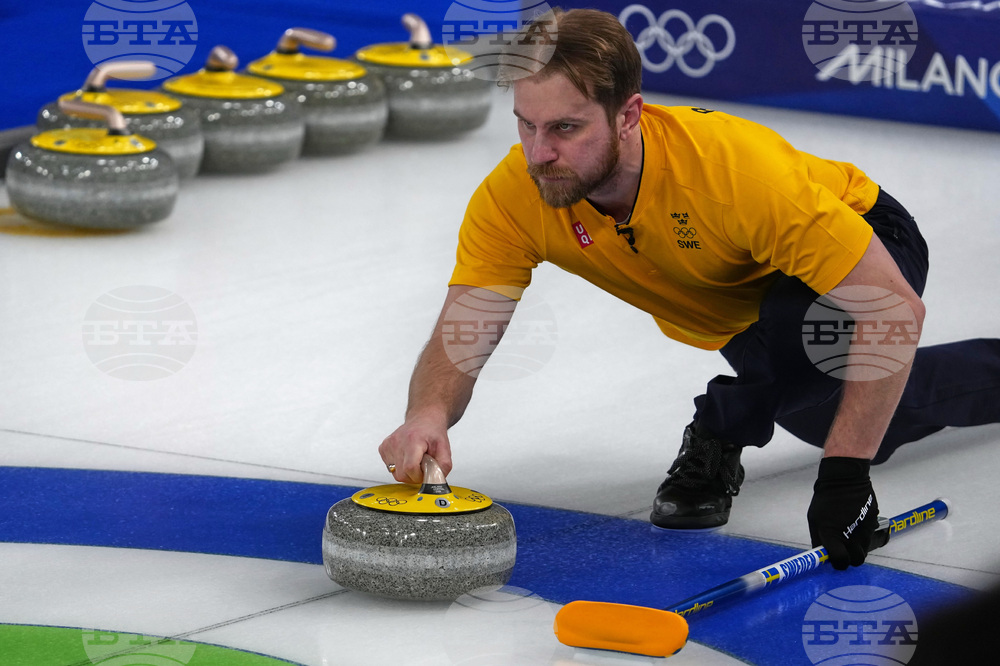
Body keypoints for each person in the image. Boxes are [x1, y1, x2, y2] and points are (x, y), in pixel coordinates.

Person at [378, 8, 1000, 570]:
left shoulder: (734, 176)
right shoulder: (515, 196)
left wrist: (844, 475)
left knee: (816, 346)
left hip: (866, 240)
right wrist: (427, 412)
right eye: (526, 125)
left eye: (566, 128)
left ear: (629, 115)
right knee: (863, 409)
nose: (539, 153)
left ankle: (721, 428)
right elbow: (468, 321)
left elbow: (891, 309)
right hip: (749, 318)